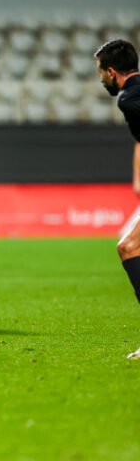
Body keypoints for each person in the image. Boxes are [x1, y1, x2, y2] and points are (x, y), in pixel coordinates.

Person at [93, 39, 140, 359]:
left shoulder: (129, 99)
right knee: (129, 246)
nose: (101, 79)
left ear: (111, 72)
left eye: (100, 73)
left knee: (129, 247)